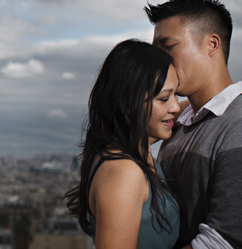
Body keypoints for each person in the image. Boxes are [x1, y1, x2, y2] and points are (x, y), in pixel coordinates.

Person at [146, 0, 242, 248]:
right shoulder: (182, 125)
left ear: (212, 44)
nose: (158, 61)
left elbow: (228, 243)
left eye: (168, 47)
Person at [65, 39, 182, 249]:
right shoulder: (123, 173)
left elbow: (200, 103)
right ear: (130, 102)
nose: (175, 106)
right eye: (164, 98)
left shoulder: (133, 148)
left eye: (176, 94)